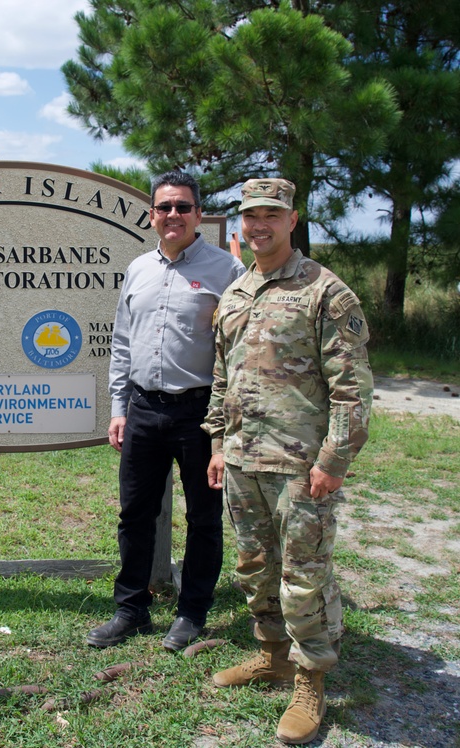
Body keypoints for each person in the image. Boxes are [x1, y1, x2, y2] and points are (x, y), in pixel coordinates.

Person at [203, 178, 372, 745]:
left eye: (272, 214)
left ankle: (310, 680)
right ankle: (272, 654)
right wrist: (217, 445)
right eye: (251, 215)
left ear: (292, 219)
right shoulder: (237, 291)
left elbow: (352, 392)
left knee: (304, 574)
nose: (260, 225)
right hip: (244, 458)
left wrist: (333, 462)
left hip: (303, 466)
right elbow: (222, 378)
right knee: (254, 566)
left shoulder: (326, 291)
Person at [87, 170, 246, 652]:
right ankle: (131, 609)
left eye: (182, 207)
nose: (172, 215)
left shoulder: (228, 272)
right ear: (151, 214)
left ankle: (192, 612)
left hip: (199, 413)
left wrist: (224, 424)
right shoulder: (138, 269)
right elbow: (121, 343)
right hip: (143, 409)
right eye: (164, 207)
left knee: (203, 517)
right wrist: (118, 407)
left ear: (198, 214)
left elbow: (237, 352)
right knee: (134, 514)